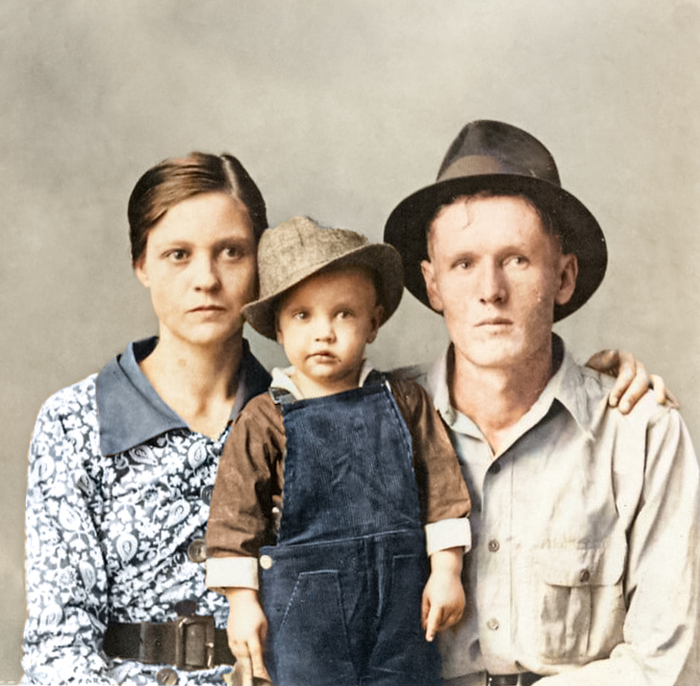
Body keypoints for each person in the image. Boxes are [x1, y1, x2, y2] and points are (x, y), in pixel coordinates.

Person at [383, 119, 700, 686]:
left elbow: (663, 664)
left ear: (564, 277)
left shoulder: (641, 435)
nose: (490, 291)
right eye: (463, 264)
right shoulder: (374, 422)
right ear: (433, 285)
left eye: (517, 260)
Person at [22, 152, 272, 685]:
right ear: (142, 265)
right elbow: (58, 650)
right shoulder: (75, 423)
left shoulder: (296, 418)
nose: (206, 279)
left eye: (231, 252)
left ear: (260, 264)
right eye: (178, 255)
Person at [205, 216, 472, 686]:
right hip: (305, 623)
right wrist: (242, 604)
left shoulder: (406, 403)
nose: (323, 332)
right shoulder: (264, 419)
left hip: (400, 615)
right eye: (303, 316)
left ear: (373, 323)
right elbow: (235, 521)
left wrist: (446, 571)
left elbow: (444, 494)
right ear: (279, 330)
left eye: (344, 314)